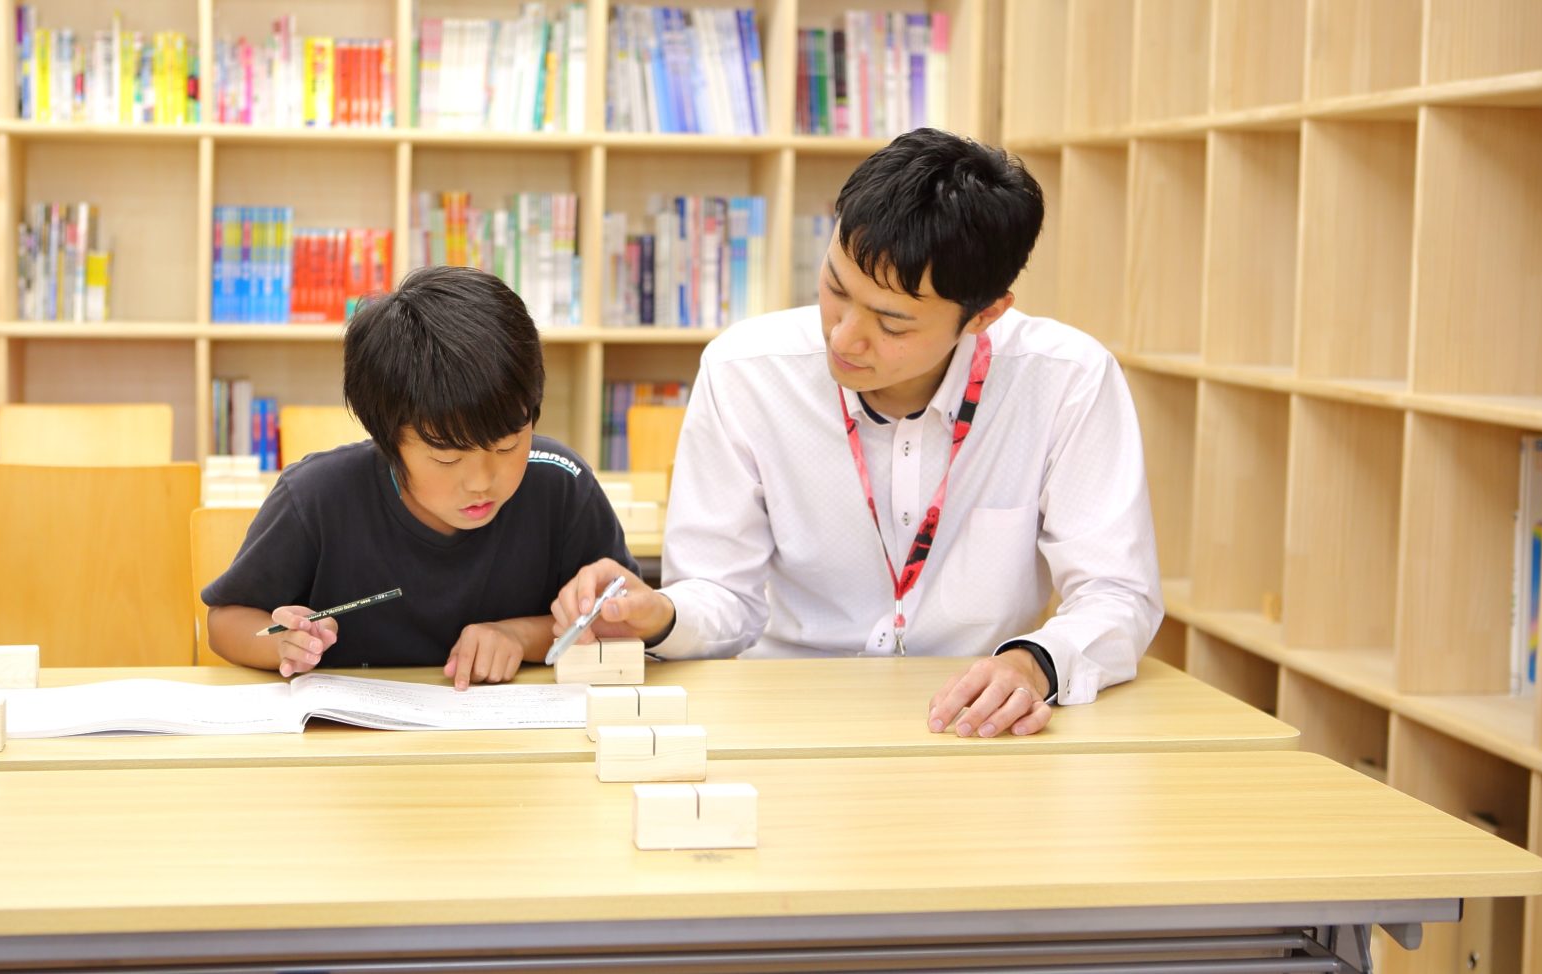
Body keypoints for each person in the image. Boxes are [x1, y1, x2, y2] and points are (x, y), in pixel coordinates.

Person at [552, 128, 1161, 737]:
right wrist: (660, 612)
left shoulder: (1064, 381)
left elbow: (1117, 593)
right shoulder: (747, 372)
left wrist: (1034, 665)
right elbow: (721, 595)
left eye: (892, 324)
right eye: (836, 289)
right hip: (785, 716)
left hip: (971, 725)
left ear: (983, 315)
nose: (843, 339)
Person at [204, 265, 636, 689]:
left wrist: (520, 636)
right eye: (447, 458)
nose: (481, 480)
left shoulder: (561, 481)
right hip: (345, 747)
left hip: (515, 747)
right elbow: (226, 621)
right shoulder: (317, 497)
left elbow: (620, 611)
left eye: (506, 445)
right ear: (388, 440)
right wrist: (281, 645)